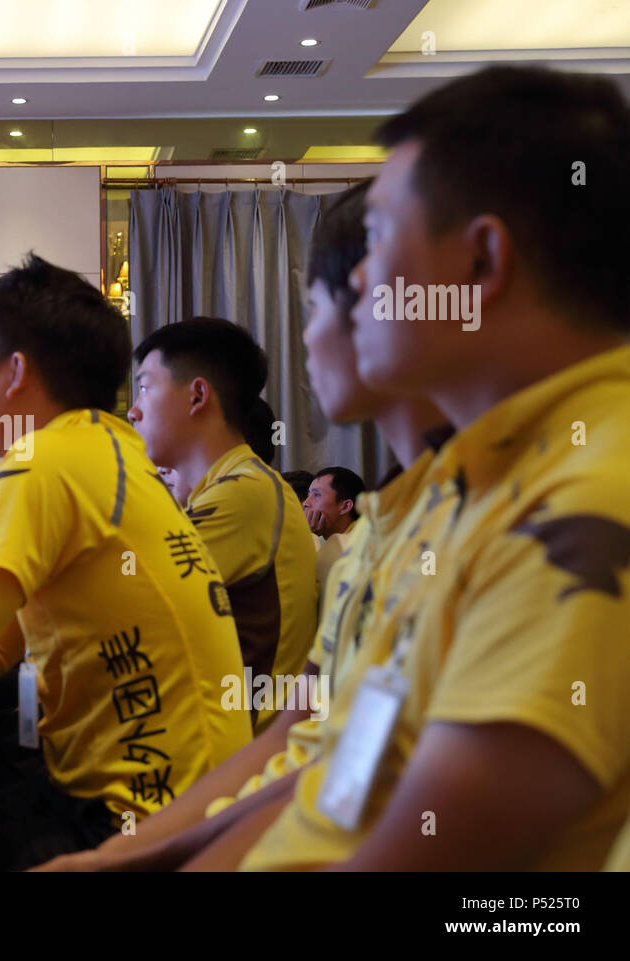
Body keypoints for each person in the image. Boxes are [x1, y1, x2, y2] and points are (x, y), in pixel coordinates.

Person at [235, 65, 630, 871]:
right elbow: (327, 771)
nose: (354, 284)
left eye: (376, 239)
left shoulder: (582, 502)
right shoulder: (463, 485)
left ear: (483, 261)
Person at [34, 182, 452, 872]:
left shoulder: (251, 494)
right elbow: (312, 747)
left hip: (217, 763)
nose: (308, 335)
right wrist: (126, 857)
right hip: (252, 788)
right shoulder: (390, 523)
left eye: (317, 304)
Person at [0, 253, 251, 870]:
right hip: (201, 801)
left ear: (13, 372)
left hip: (144, 821)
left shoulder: (45, 461)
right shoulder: (109, 449)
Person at [129, 317, 318, 732]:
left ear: (197, 395)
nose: (132, 409)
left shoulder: (242, 492)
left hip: (242, 755)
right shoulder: (231, 486)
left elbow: (122, 608)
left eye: (144, 387)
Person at [307, 466, 366, 587]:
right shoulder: (322, 540)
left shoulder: (362, 544)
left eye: (316, 495)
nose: (306, 503)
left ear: (344, 506)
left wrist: (307, 537)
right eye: (308, 495)